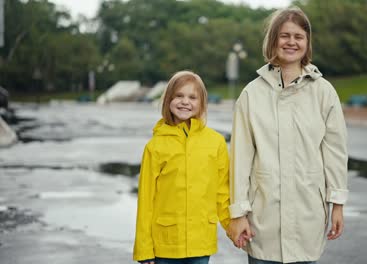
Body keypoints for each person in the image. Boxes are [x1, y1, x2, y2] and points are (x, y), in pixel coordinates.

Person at [227, 6, 349, 264]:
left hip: (307, 216)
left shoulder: (324, 92)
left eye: (298, 36)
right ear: (273, 41)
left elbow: (335, 152)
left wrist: (337, 203)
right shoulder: (252, 94)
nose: (291, 42)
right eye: (284, 35)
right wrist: (238, 214)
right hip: (263, 221)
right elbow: (240, 158)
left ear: (307, 43)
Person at [133, 71, 230, 264]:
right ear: (168, 100)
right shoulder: (155, 146)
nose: (185, 102)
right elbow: (146, 201)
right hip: (165, 244)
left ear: (202, 103)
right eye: (179, 96)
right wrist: (144, 250)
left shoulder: (216, 142)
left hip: (200, 242)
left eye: (192, 97)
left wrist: (233, 227)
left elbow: (222, 192)